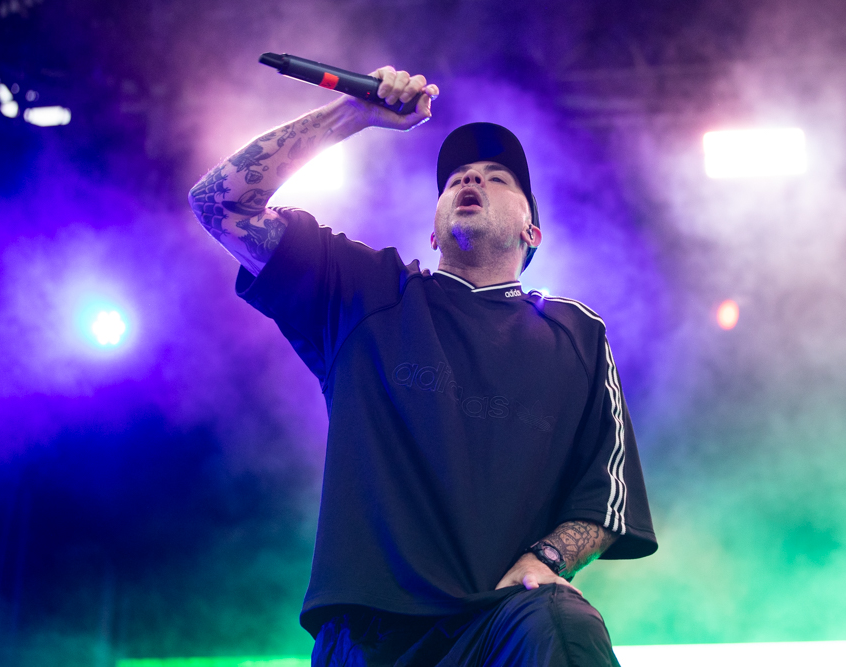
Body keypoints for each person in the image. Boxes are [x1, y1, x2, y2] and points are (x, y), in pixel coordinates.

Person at [188, 66, 657, 666]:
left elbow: (608, 495)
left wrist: (548, 559)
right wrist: (351, 115)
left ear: (532, 231)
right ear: (433, 234)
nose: (471, 179)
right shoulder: (367, 291)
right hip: (370, 637)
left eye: (496, 178)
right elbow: (219, 203)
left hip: (501, 627)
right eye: (457, 178)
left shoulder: (577, 334)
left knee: (563, 620)